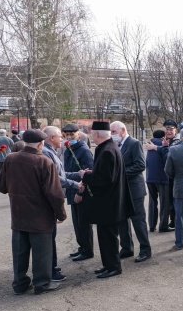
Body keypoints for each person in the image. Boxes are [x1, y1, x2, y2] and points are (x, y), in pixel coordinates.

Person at [0, 128, 67, 295]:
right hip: (40, 216)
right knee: (42, 251)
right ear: (41, 143)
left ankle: (20, 283)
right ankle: (42, 283)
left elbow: (1, 186)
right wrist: (60, 213)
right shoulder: (44, 162)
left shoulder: (10, 158)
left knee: (20, 251)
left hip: (18, 214)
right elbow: (54, 193)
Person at [78, 121, 134, 279]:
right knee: (104, 236)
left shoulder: (107, 151)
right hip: (109, 202)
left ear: (96, 134)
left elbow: (105, 179)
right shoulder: (107, 148)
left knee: (108, 237)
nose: (91, 136)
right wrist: (93, 173)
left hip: (109, 203)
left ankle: (114, 267)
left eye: (92, 133)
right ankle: (108, 264)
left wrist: (86, 175)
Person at [41, 126, 80, 282]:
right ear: (51, 138)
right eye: (60, 136)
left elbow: (61, 174)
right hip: (48, 201)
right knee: (48, 237)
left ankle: (52, 265)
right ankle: (49, 270)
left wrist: (78, 174)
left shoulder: (51, 151)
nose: (62, 139)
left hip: (52, 198)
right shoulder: (46, 153)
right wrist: (76, 184)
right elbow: (56, 179)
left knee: (52, 236)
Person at [111, 121, 151, 263]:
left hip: (134, 189)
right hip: (121, 190)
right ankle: (127, 248)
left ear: (123, 130)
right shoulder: (116, 144)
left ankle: (145, 249)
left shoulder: (134, 143)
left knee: (138, 220)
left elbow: (140, 165)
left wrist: (120, 174)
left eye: (114, 132)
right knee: (122, 220)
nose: (112, 135)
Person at [62, 123, 95, 263]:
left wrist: (81, 192)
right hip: (72, 190)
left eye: (72, 134)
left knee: (83, 222)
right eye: (66, 135)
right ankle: (82, 246)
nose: (69, 137)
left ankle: (87, 250)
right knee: (77, 222)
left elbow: (89, 172)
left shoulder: (83, 150)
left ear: (79, 135)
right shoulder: (68, 149)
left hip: (82, 192)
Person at [144, 129, 170, 232]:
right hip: (162, 177)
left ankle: (151, 225)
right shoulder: (164, 145)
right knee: (164, 203)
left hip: (150, 177)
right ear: (163, 136)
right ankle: (163, 225)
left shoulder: (150, 144)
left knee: (152, 202)